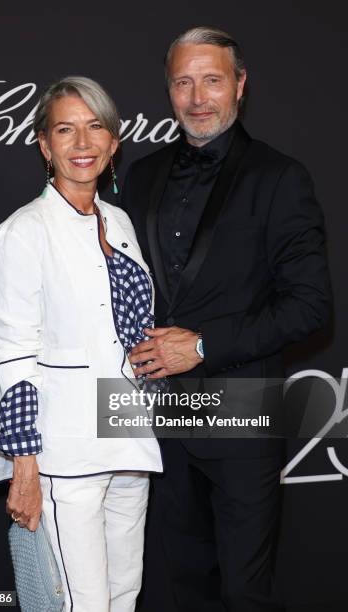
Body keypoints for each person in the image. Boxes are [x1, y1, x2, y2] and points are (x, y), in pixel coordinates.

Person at [122, 27, 332, 612]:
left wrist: (204, 347)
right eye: (183, 82)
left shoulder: (280, 178)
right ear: (168, 90)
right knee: (178, 586)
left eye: (212, 80)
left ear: (239, 85)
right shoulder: (140, 176)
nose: (197, 98)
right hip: (157, 419)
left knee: (244, 592)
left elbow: (311, 307)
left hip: (242, 416)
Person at [0, 76, 162, 612]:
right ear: (44, 145)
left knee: (124, 594)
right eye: (65, 129)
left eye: (94, 127)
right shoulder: (24, 232)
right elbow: (12, 353)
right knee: (83, 604)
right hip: (66, 449)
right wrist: (25, 466)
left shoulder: (120, 222)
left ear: (113, 142)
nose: (82, 143)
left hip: (127, 434)